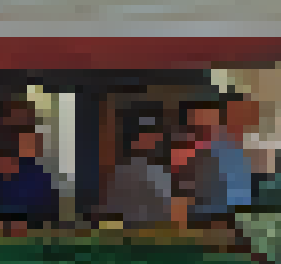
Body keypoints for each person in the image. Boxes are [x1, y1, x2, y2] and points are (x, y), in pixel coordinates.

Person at [176, 99, 255, 231]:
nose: (203, 124)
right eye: (197, 120)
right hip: (199, 212)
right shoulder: (188, 148)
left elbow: (241, 189)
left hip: (226, 215)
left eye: (208, 119)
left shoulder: (230, 146)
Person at [100, 112, 175, 226]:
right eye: (148, 136)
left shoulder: (158, 168)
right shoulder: (126, 170)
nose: (154, 141)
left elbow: (165, 203)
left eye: (155, 137)